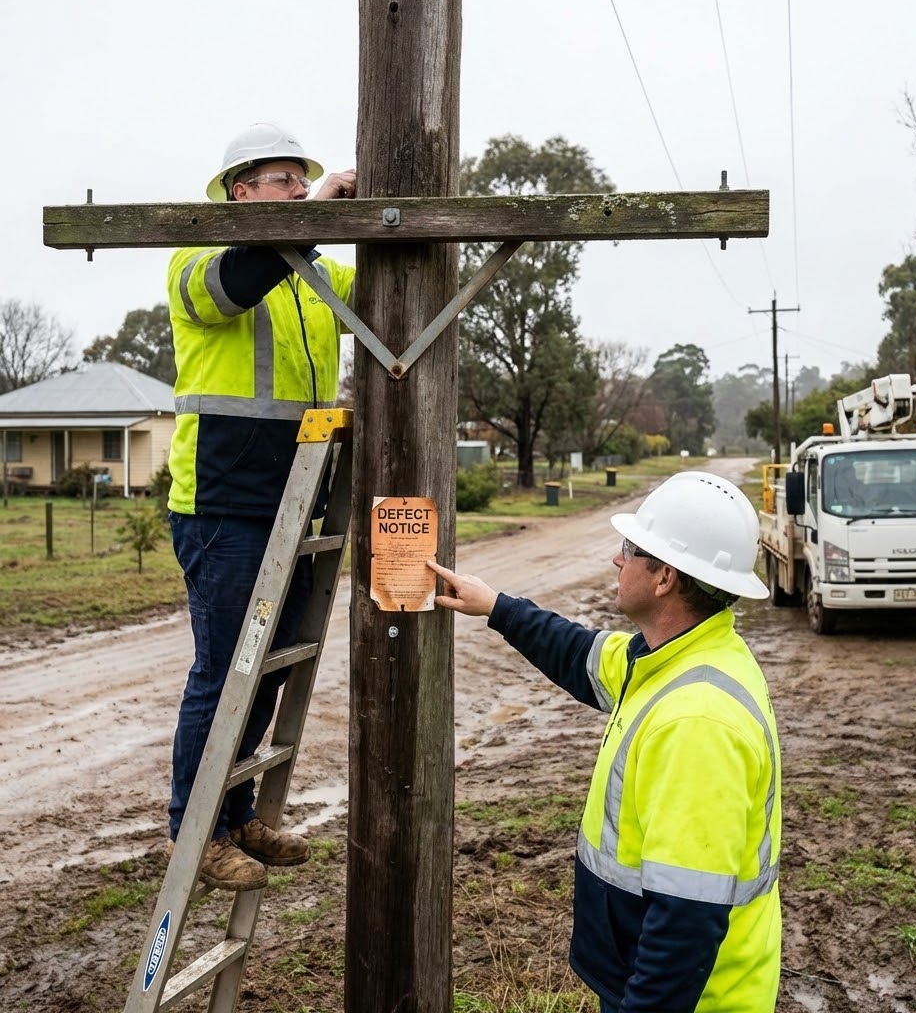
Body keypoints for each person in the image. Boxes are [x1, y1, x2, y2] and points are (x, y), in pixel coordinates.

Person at [429, 471, 782, 1012]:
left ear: (663, 576)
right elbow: (579, 654)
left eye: (630, 549)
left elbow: (686, 922)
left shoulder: (697, 721)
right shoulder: (671, 657)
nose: (618, 560)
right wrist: (495, 606)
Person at [165, 121, 356, 891]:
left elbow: (387, 287)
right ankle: (195, 833)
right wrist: (311, 227)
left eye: (303, 183)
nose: (299, 193)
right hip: (221, 504)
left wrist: (367, 220)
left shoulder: (310, 276)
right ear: (242, 190)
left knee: (268, 672)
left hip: (293, 504)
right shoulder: (194, 260)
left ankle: (236, 812)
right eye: (285, 182)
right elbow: (233, 287)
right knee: (225, 671)